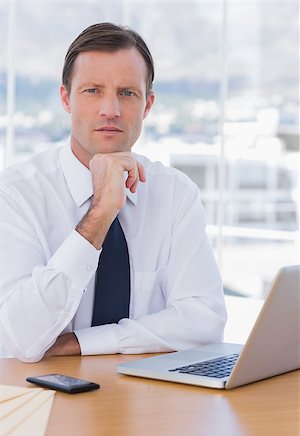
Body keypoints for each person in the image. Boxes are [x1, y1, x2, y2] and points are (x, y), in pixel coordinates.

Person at [0, 23, 226, 362]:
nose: (111, 110)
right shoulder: (16, 195)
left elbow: (205, 322)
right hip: (43, 398)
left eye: (127, 93)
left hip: (149, 399)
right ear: (66, 98)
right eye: (93, 90)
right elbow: (20, 337)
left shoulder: (176, 193)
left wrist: (80, 342)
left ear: (147, 105)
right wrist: (101, 212)